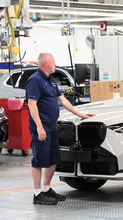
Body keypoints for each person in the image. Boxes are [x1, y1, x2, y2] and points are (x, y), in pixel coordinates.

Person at [26, 52, 95, 205]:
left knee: (53, 159)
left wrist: (79, 113)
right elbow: (32, 104)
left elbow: (62, 99)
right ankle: (37, 194)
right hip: (41, 128)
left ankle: (46, 189)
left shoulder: (50, 80)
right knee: (38, 161)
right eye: (53, 61)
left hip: (52, 127)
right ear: (45, 63)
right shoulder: (35, 80)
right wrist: (39, 127)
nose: (55, 63)